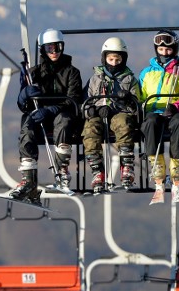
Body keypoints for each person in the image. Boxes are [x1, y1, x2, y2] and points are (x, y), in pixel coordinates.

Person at [10, 28, 82, 202]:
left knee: (63, 121)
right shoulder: (34, 74)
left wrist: (51, 109)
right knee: (27, 126)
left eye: (57, 47)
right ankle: (29, 180)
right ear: (43, 49)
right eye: (50, 48)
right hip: (39, 115)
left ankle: (62, 171)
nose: (54, 52)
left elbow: (73, 100)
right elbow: (23, 106)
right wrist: (25, 94)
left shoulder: (72, 72)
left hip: (61, 114)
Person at [138, 30, 179, 205]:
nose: (164, 53)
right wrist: (142, 107)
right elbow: (140, 96)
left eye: (168, 50)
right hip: (153, 111)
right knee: (150, 123)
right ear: (156, 49)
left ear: (175, 49)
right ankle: (157, 168)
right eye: (161, 50)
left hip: (174, 112)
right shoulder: (146, 73)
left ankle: (177, 168)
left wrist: (175, 106)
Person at [81, 37, 140, 194]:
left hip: (120, 113)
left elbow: (137, 105)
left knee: (124, 123)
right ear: (104, 58)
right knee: (90, 129)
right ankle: (97, 171)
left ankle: (126, 166)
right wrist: (92, 110)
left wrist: (127, 99)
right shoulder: (95, 79)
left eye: (118, 59)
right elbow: (85, 102)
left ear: (123, 59)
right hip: (99, 114)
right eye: (111, 59)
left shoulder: (129, 80)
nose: (114, 63)